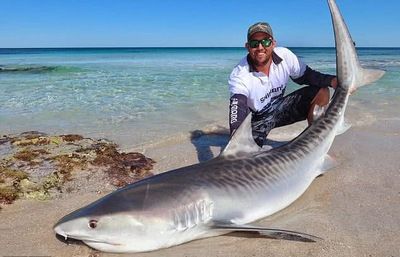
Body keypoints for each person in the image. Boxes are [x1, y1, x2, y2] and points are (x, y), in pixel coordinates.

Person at [228, 22, 337, 147]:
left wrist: (333, 81)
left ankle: (315, 142)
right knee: (243, 155)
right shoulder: (239, 75)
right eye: (254, 43)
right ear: (247, 47)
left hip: (280, 109)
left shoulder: (285, 56)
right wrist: (235, 137)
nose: (260, 47)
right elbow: (237, 107)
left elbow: (307, 76)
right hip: (257, 120)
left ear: (273, 43)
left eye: (265, 42)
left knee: (321, 91)